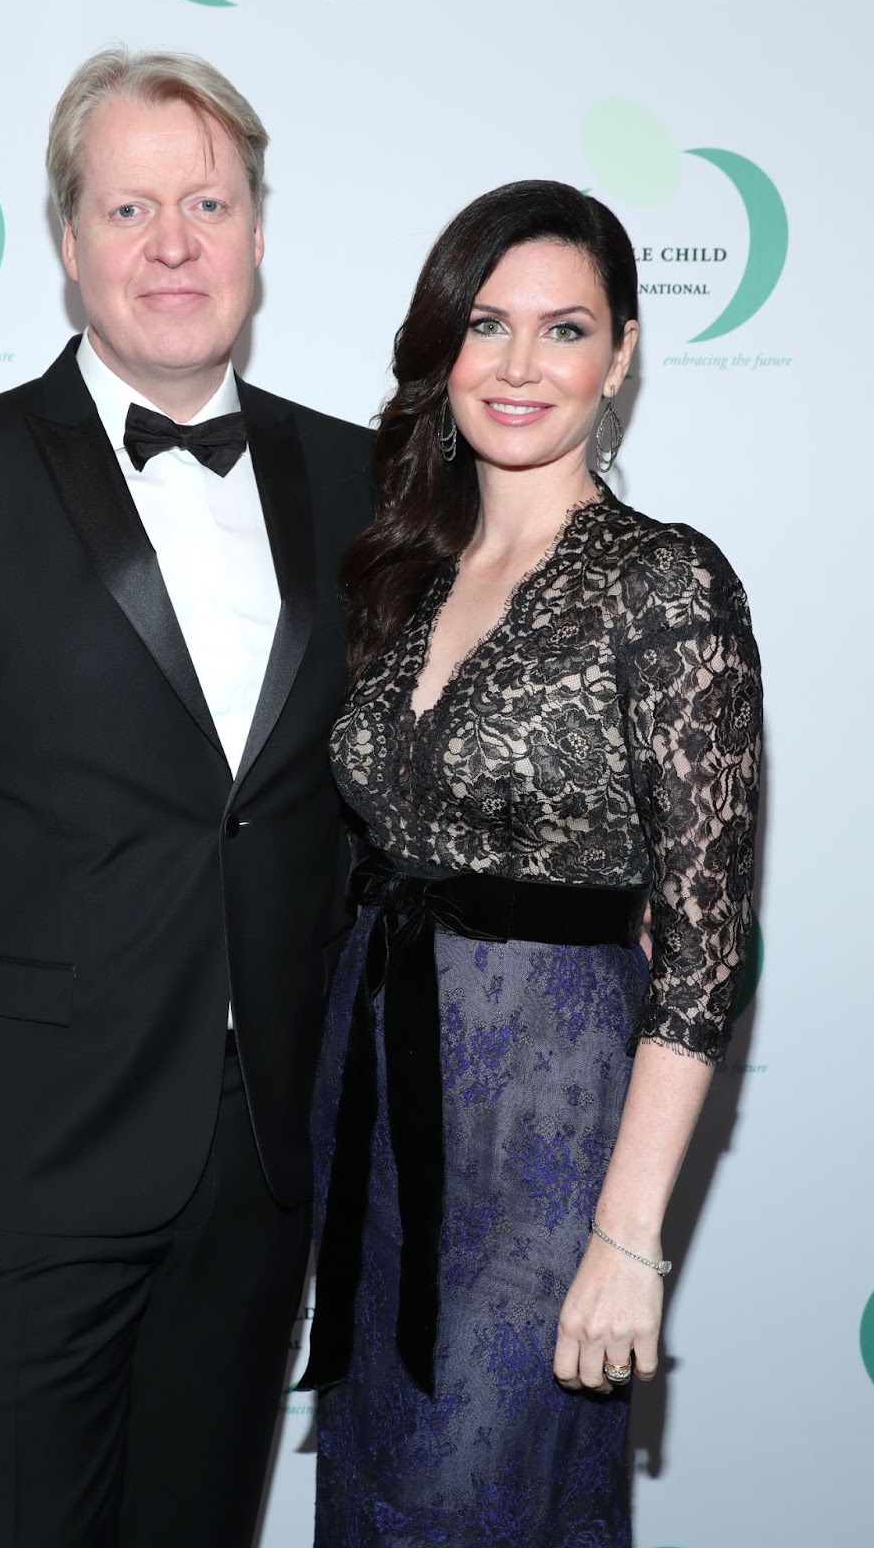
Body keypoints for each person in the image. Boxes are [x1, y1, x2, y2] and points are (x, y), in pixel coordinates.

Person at [0, 49, 371, 1548]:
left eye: (207, 201)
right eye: (129, 206)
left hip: (260, 1174)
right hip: (17, 1177)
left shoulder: (366, 484)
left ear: (258, 231)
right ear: (68, 243)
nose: (171, 242)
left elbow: (395, 803)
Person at [300, 180, 762, 1545]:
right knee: (376, 1491)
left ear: (619, 354)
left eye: (562, 330)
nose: (516, 366)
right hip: (378, 1099)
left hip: (547, 1123)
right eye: (485, 325)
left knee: (480, 1496)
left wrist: (625, 1238)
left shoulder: (664, 581)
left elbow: (704, 946)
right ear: (441, 345)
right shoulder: (404, 573)